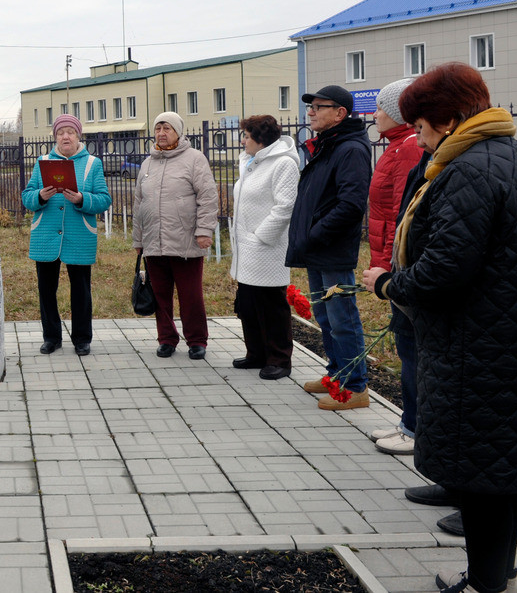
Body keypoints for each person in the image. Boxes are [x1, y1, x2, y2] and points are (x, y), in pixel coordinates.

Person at [363, 62, 517, 593]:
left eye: (420, 122)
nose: (416, 133)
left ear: (446, 120)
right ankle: (497, 569)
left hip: (480, 344)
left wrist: (386, 283)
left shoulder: (469, 169)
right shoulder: (506, 157)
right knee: (497, 466)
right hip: (509, 335)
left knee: (484, 474)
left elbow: (445, 269)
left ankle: (485, 582)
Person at [285, 84, 372, 410]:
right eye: (311, 106)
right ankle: (337, 374)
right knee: (324, 313)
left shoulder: (350, 149)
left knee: (341, 317)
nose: (311, 111)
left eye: (319, 107)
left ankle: (355, 386)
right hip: (319, 248)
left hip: (332, 249)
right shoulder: (329, 144)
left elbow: (350, 204)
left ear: (339, 113)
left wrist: (315, 233)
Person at [362, 81, 423, 454]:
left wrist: (386, 265)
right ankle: (409, 421)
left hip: (400, 265)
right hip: (391, 262)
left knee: (411, 346)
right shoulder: (398, 146)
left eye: (382, 108)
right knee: (406, 345)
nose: (375, 115)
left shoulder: (409, 149)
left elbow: (403, 215)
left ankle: (415, 428)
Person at [22, 114, 112, 356]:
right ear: (55, 137)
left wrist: (82, 199)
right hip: (46, 236)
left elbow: (104, 200)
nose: (65, 136)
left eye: (70, 132)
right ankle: (51, 338)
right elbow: (27, 197)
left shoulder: (93, 163)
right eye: (61, 132)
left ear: (78, 136)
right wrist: (41, 195)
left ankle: (82, 338)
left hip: (79, 235)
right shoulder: (42, 162)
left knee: (81, 290)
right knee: (46, 289)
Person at [132, 112, 218, 360]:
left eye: (167, 128)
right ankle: (167, 339)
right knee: (160, 294)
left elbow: (208, 198)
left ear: (178, 132)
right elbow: (140, 203)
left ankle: (197, 340)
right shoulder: (148, 163)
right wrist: (138, 240)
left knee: (190, 295)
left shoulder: (194, 159)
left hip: (186, 241)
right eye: (158, 128)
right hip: (153, 242)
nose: (161, 133)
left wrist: (204, 231)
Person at [228, 115, 299, 379]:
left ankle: (280, 359)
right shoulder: (250, 162)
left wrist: (261, 237)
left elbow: (285, 206)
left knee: (271, 304)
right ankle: (256, 353)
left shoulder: (283, 164)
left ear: (261, 139)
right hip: (247, 247)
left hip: (268, 247)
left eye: (246, 135)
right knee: (248, 303)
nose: (242, 140)